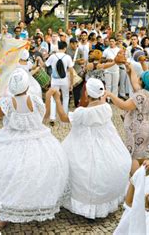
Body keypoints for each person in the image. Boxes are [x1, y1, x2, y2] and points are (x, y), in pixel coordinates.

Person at [0, 69, 69, 223]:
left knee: (8, 172)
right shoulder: (35, 100)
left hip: (10, 139)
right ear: (27, 87)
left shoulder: (7, 103)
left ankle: (5, 208)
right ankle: (35, 203)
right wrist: (47, 98)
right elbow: (44, 117)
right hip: (37, 138)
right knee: (37, 171)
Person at [50, 79, 131, 219]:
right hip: (107, 143)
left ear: (86, 93)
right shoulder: (106, 108)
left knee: (79, 169)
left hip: (83, 145)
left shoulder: (82, 112)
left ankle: (85, 204)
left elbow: (63, 118)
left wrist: (57, 100)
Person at [105, 64, 149, 163]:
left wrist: (110, 94)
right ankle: (143, 174)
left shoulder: (140, 95)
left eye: (139, 77)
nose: (137, 77)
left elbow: (124, 105)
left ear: (142, 81)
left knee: (134, 156)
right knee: (142, 153)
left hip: (140, 128)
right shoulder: (148, 91)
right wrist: (130, 70)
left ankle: (136, 176)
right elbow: (134, 82)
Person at [45, 41, 74, 123]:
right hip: (64, 80)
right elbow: (71, 71)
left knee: (53, 98)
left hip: (54, 80)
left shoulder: (52, 56)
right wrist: (71, 83)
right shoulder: (68, 57)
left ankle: (52, 117)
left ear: (58, 47)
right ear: (65, 48)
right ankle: (64, 116)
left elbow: (46, 65)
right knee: (65, 97)